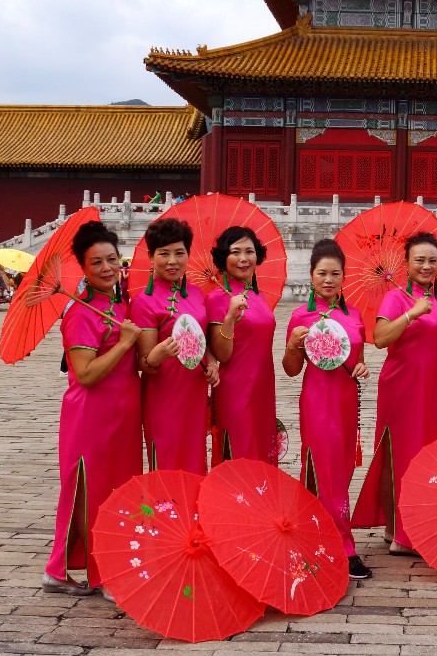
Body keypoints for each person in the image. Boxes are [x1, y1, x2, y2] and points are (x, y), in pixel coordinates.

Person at [43, 221, 142, 600]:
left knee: (117, 492)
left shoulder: (119, 305)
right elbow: (85, 374)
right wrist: (124, 343)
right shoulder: (80, 314)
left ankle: (68, 570)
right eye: (96, 262)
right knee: (91, 493)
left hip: (123, 415)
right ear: (83, 269)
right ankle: (102, 574)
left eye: (112, 259)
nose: (106, 267)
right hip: (91, 417)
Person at [355, 232, 437, 557]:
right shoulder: (397, 298)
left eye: (432, 260)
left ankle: (396, 526)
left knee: (423, 454)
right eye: (419, 260)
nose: (426, 266)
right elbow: (380, 337)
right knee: (399, 453)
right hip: (401, 385)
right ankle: (403, 534)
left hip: (432, 387)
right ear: (407, 264)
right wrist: (412, 314)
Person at [282, 239, 372, 580]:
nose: (329, 280)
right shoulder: (300, 317)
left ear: (344, 276)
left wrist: (362, 368)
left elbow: (358, 362)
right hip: (317, 400)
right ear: (311, 275)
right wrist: (293, 346)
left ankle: (316, 534)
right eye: (322, 273)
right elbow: (291, 369)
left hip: (347, 401)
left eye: (335, 273)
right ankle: (342, 546)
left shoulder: (354, 316)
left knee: (343, 469)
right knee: (323, 469)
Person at [132, 218, 218, 474]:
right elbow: (143, 362)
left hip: (195, 391)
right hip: (163, 394)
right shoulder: (143, 302)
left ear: (188, 254)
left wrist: (212, 363)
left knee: (195, 461)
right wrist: (156, 356)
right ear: (151, 257)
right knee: (167, 464)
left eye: (179, 253)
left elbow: (203, 339)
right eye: (164, 254)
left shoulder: (196, 294)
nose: (172, 261)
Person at [206, 226, 277, 464]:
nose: (243, 258)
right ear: (223, 257)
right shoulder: (217, 297)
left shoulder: (258, 295)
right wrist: (229, 317)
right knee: (239, 455)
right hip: (235, 389)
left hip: (263, 387)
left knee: (261, 454)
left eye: (249, 251)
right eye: (235, 252)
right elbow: (222, 354)